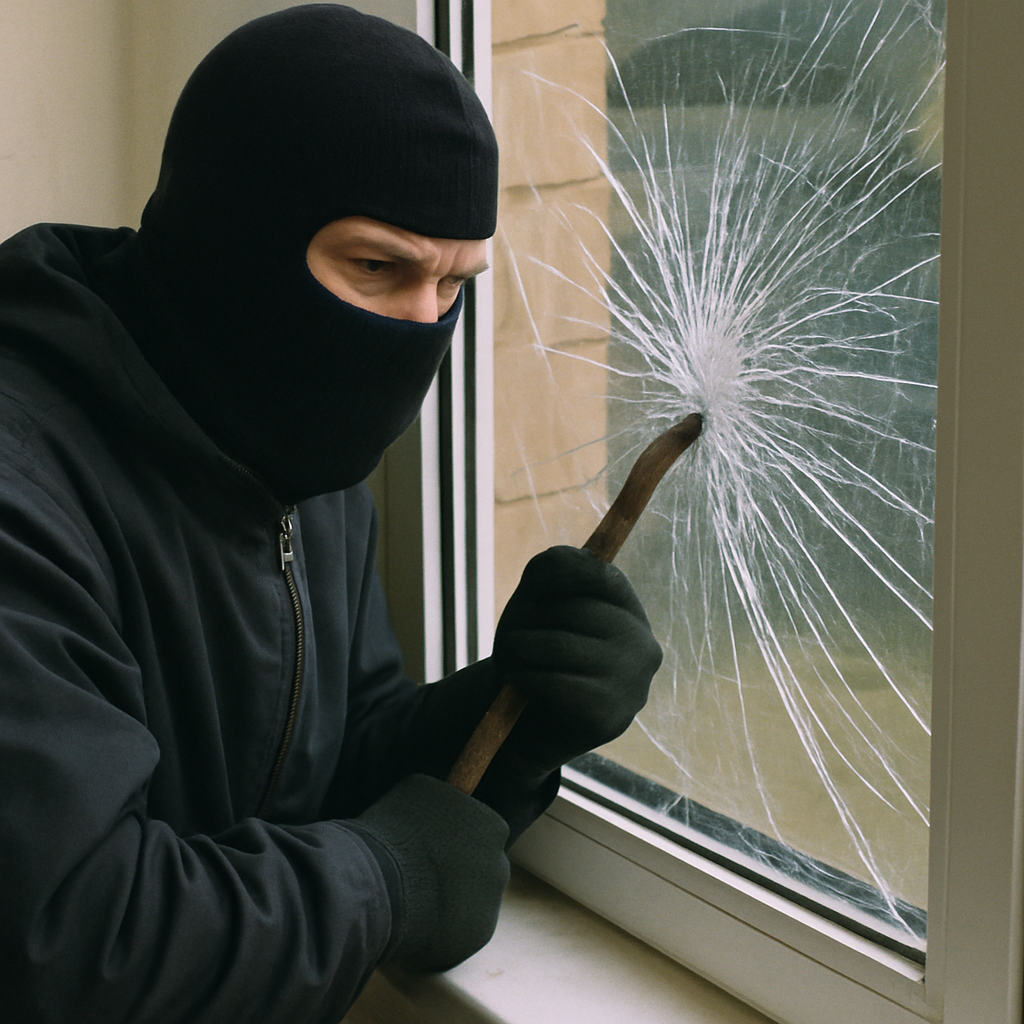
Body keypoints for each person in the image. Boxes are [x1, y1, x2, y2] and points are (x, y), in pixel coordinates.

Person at [0, 5, 662, 1022]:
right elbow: (66, 937)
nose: (419, 327)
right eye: (377, 267)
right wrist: (385, 884)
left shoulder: (288, 451)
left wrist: (519, 710)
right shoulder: (23, 490)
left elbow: (323, 768)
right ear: (232, 235)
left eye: (454, 284)